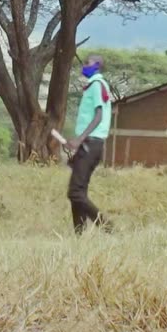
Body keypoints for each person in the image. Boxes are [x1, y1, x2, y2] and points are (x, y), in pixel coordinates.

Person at [65, 54, 113, 233]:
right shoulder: (92, 86)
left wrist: (79, 139)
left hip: (91, 144)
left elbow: (99, 115)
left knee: (75, 192)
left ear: (98, 65)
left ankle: (107, 227)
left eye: (88, 63)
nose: (84, 65)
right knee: (78, 193)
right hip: (88, 143)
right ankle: (79, 234)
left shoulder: (97, 85)